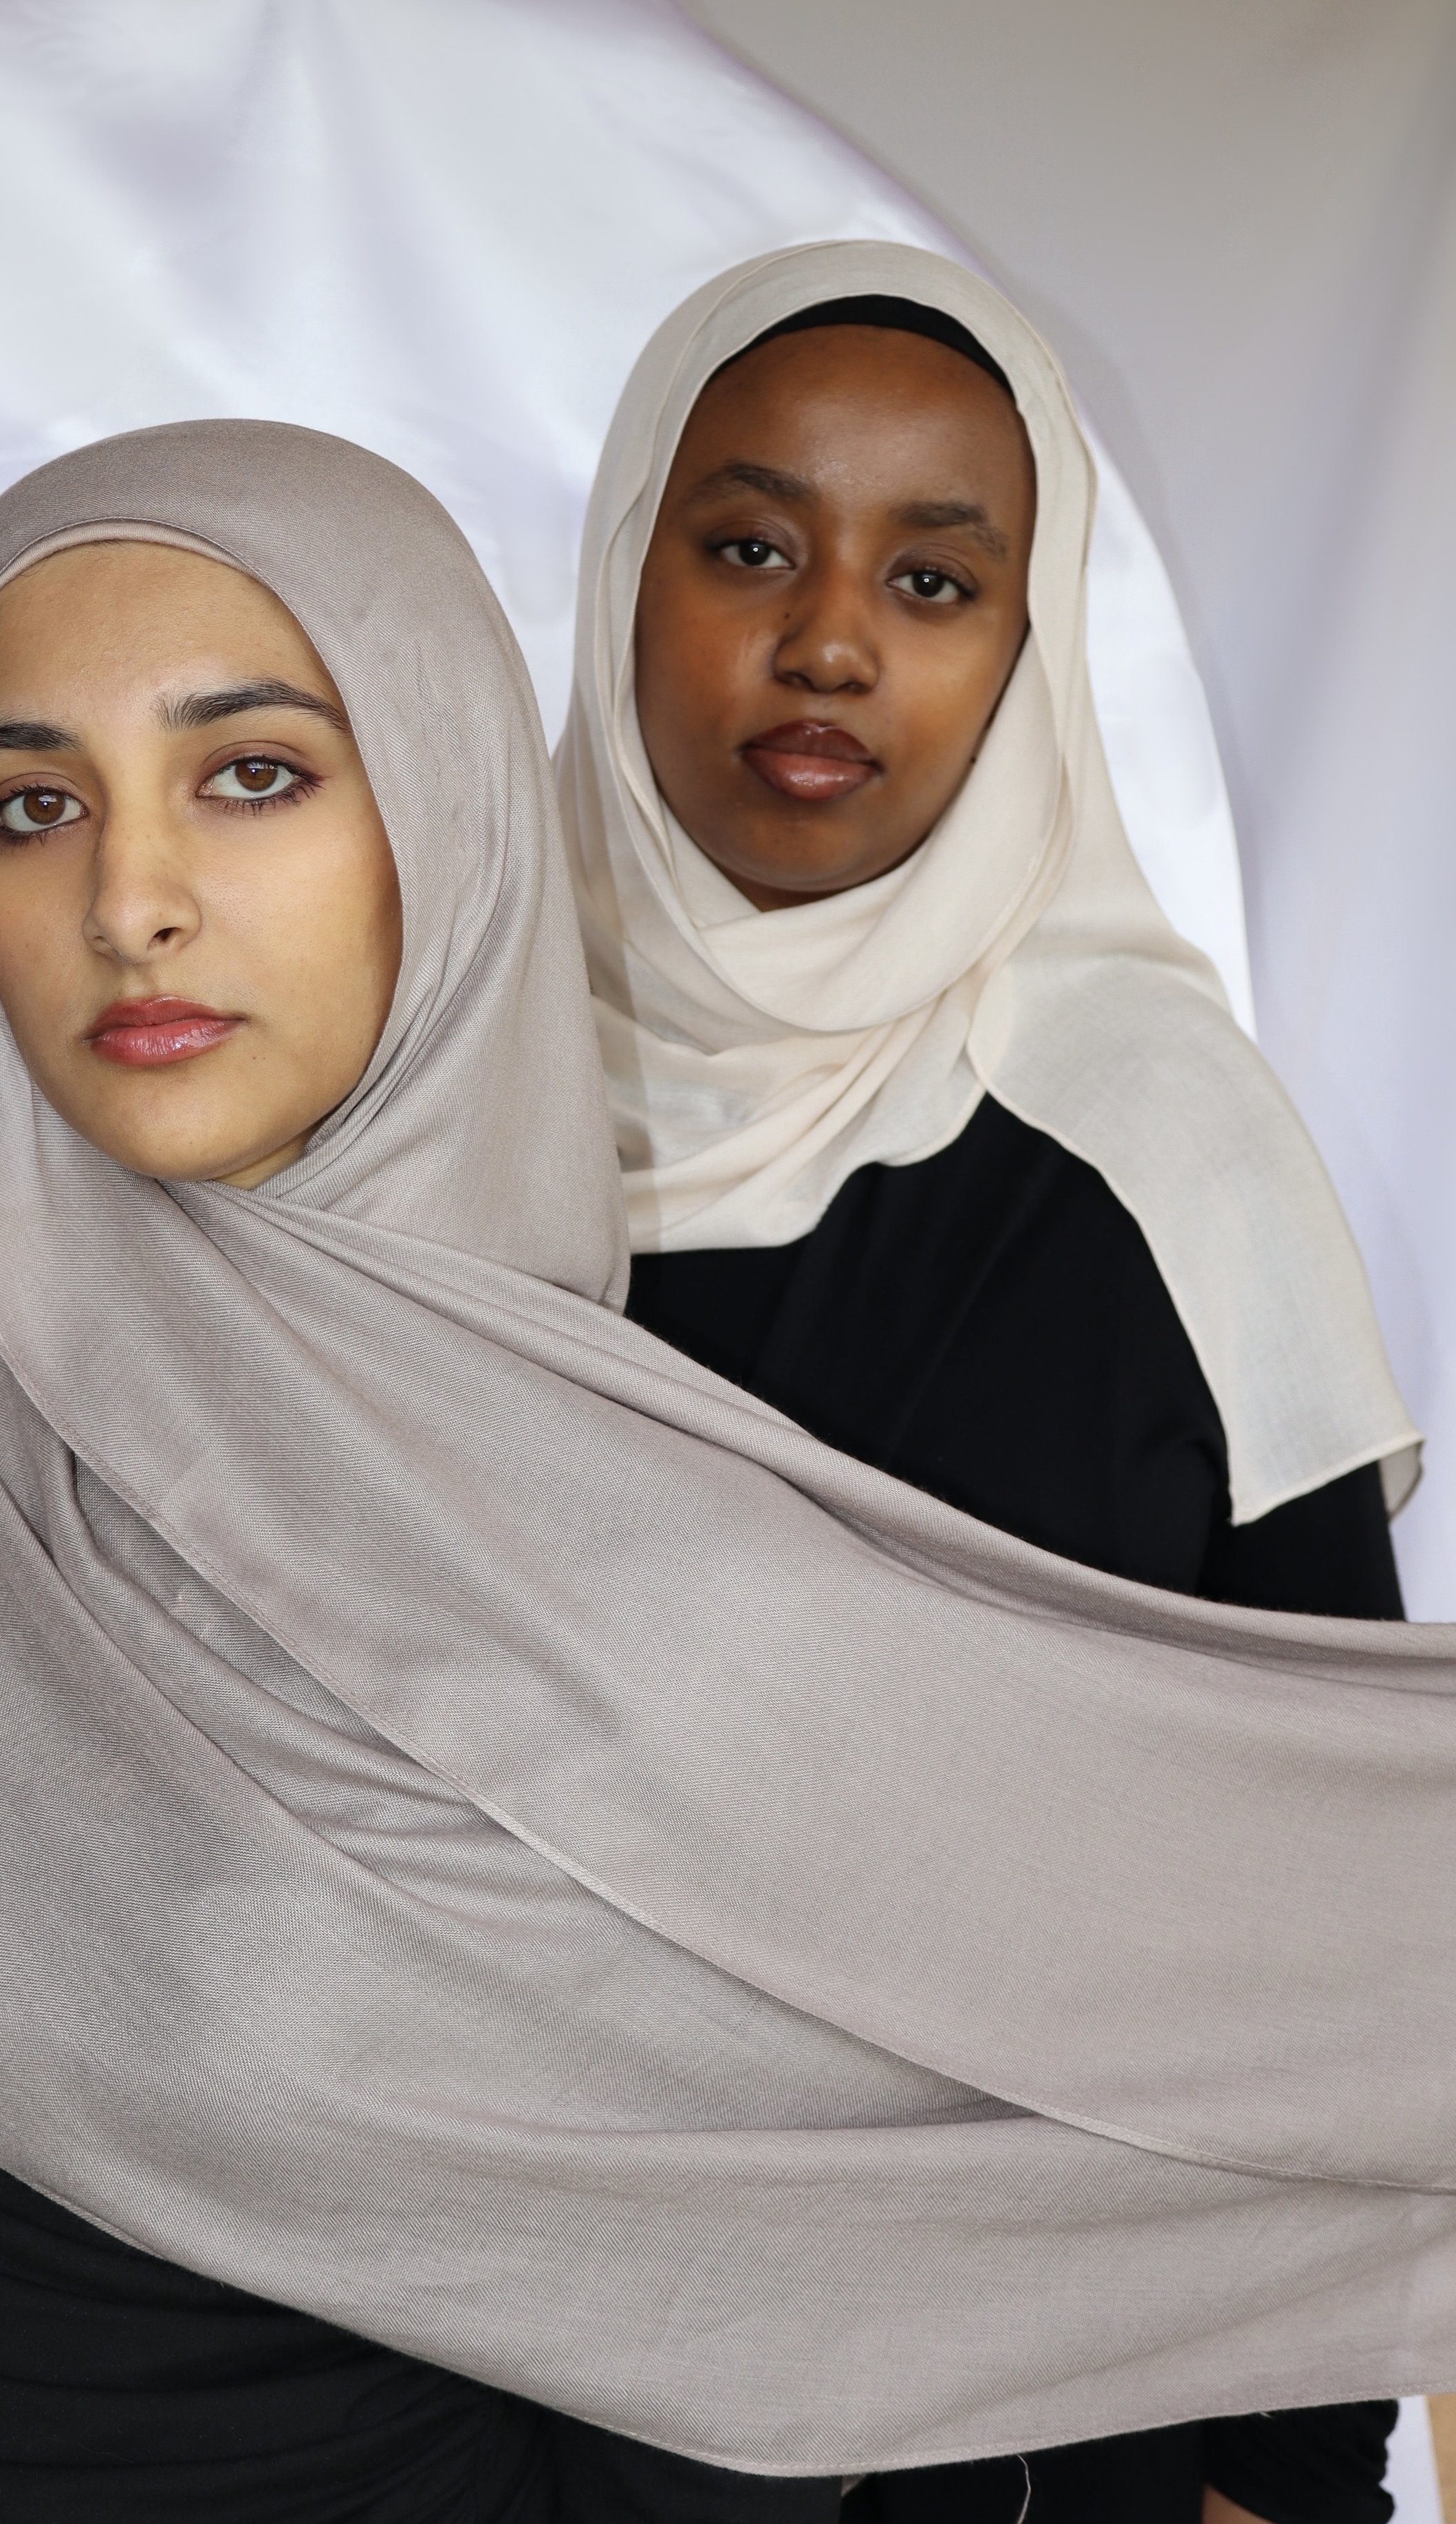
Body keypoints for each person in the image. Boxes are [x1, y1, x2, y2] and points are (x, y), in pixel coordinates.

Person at [0, 418, 1455, 2523]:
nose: (130, 898)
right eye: (27, 806)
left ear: (447, 818)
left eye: (253, 774)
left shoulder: (674, 1575)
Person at [557, 242, 1415, 2521]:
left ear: (1029, 651)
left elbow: (1327, 1899)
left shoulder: (1151, 1144)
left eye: (934, 578)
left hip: (1026, 2433)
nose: (826, 637)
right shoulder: (444, 1113)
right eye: (746, 546)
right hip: (496, 2386)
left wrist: (1290, 2470)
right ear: (616, 569)